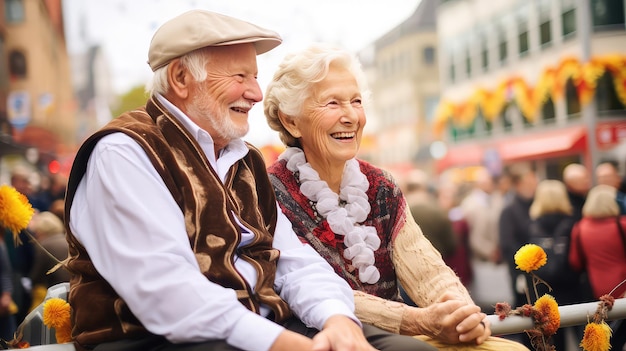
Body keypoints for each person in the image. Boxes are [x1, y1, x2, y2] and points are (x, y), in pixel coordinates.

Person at [63, 10, 422, 351]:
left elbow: (293, 261)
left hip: (258, 327)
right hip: (158, 340)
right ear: (181, 78)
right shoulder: (124, 152)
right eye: (240, 77)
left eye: (254, 76)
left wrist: (337, 318)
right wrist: (280, 342)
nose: (256, 93)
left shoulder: (244, 158)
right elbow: (165, 294)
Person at [264, 43, 529, 351]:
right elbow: (312, 290)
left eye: (356, 101)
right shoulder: (270, 191)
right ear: (291, 120)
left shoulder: (381, 184)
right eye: (332, 103)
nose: (351, 116)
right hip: (327, 337)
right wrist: (420, 320)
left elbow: (427, 269)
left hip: (406, 333)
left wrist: (460, 312)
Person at [527, 180, 584, 351]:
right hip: (573, 288)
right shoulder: (575, 223)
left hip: (544, 291)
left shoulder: (533, 227)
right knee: (582, 335)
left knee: (553, 343)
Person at [569, 184, 626, 350]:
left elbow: (575, 262)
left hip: (597, 293)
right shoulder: (621, 224)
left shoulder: (580, 228)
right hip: (622, 290)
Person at [460, 168, 511, 314]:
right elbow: (471, 235)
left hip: (500, 256)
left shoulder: (498, 199)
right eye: (485, 181)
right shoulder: (469, 204)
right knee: (486, 299)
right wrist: (489, 251)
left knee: (503, 297)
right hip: (480, 258)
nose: (489, 184)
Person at [27, 211, 71, 311]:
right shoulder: (66, 239)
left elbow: (37, 275)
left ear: (42, 231)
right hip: (71, 287)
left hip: (55, 291)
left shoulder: (43, 245)